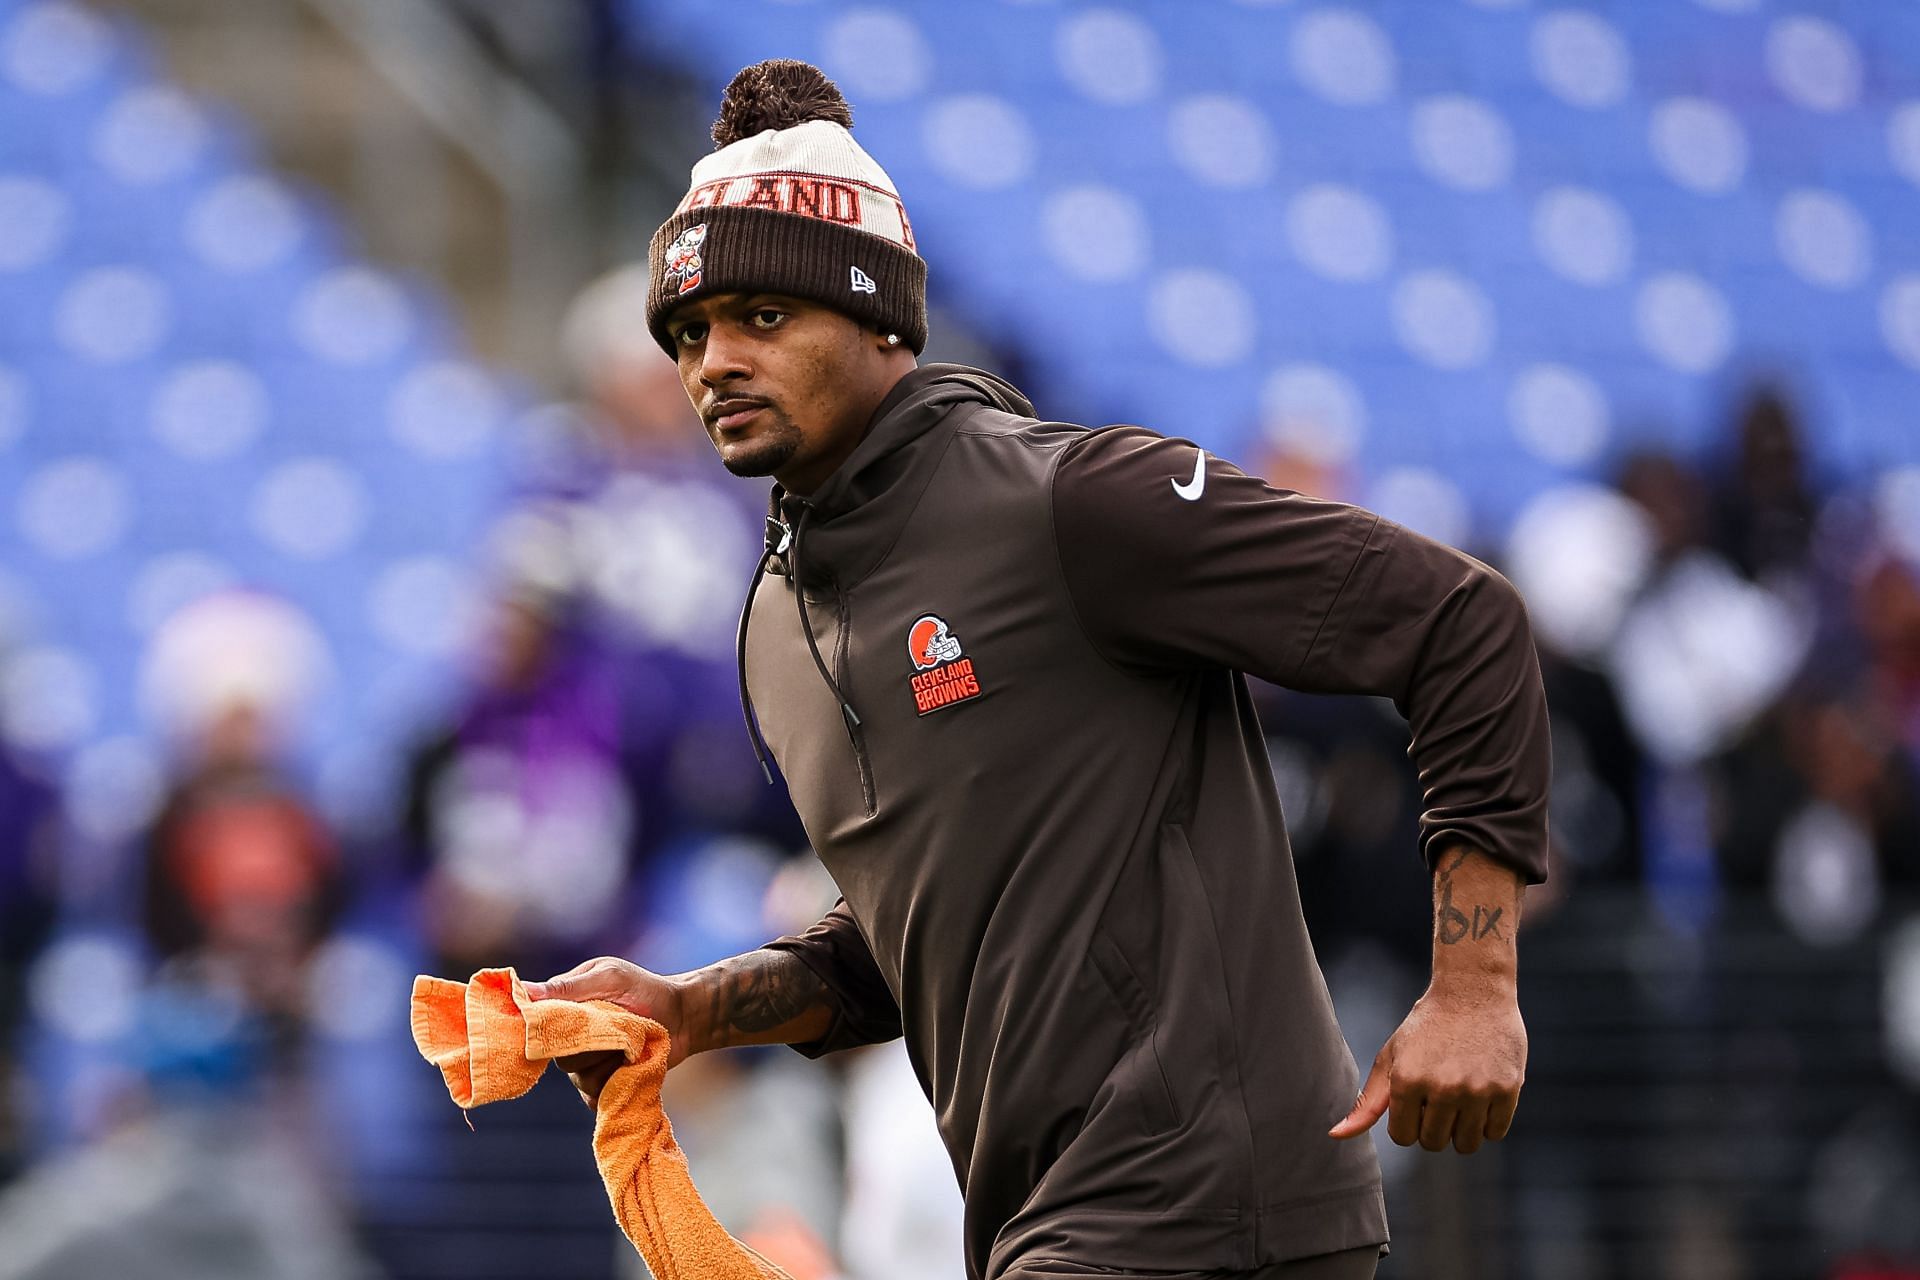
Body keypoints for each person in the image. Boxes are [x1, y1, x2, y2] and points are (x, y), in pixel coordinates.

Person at [529, 60, 1549, 1280]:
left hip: (1211, 1202)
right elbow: (897, 943)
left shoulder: (1072, 502)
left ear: (876, 317)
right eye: (689, 332)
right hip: (1036, 1223)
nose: (714, 363)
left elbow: (1460, 618)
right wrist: (693, 1010)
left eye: (761, 316)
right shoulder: (774, 629)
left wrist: (1477, 978)